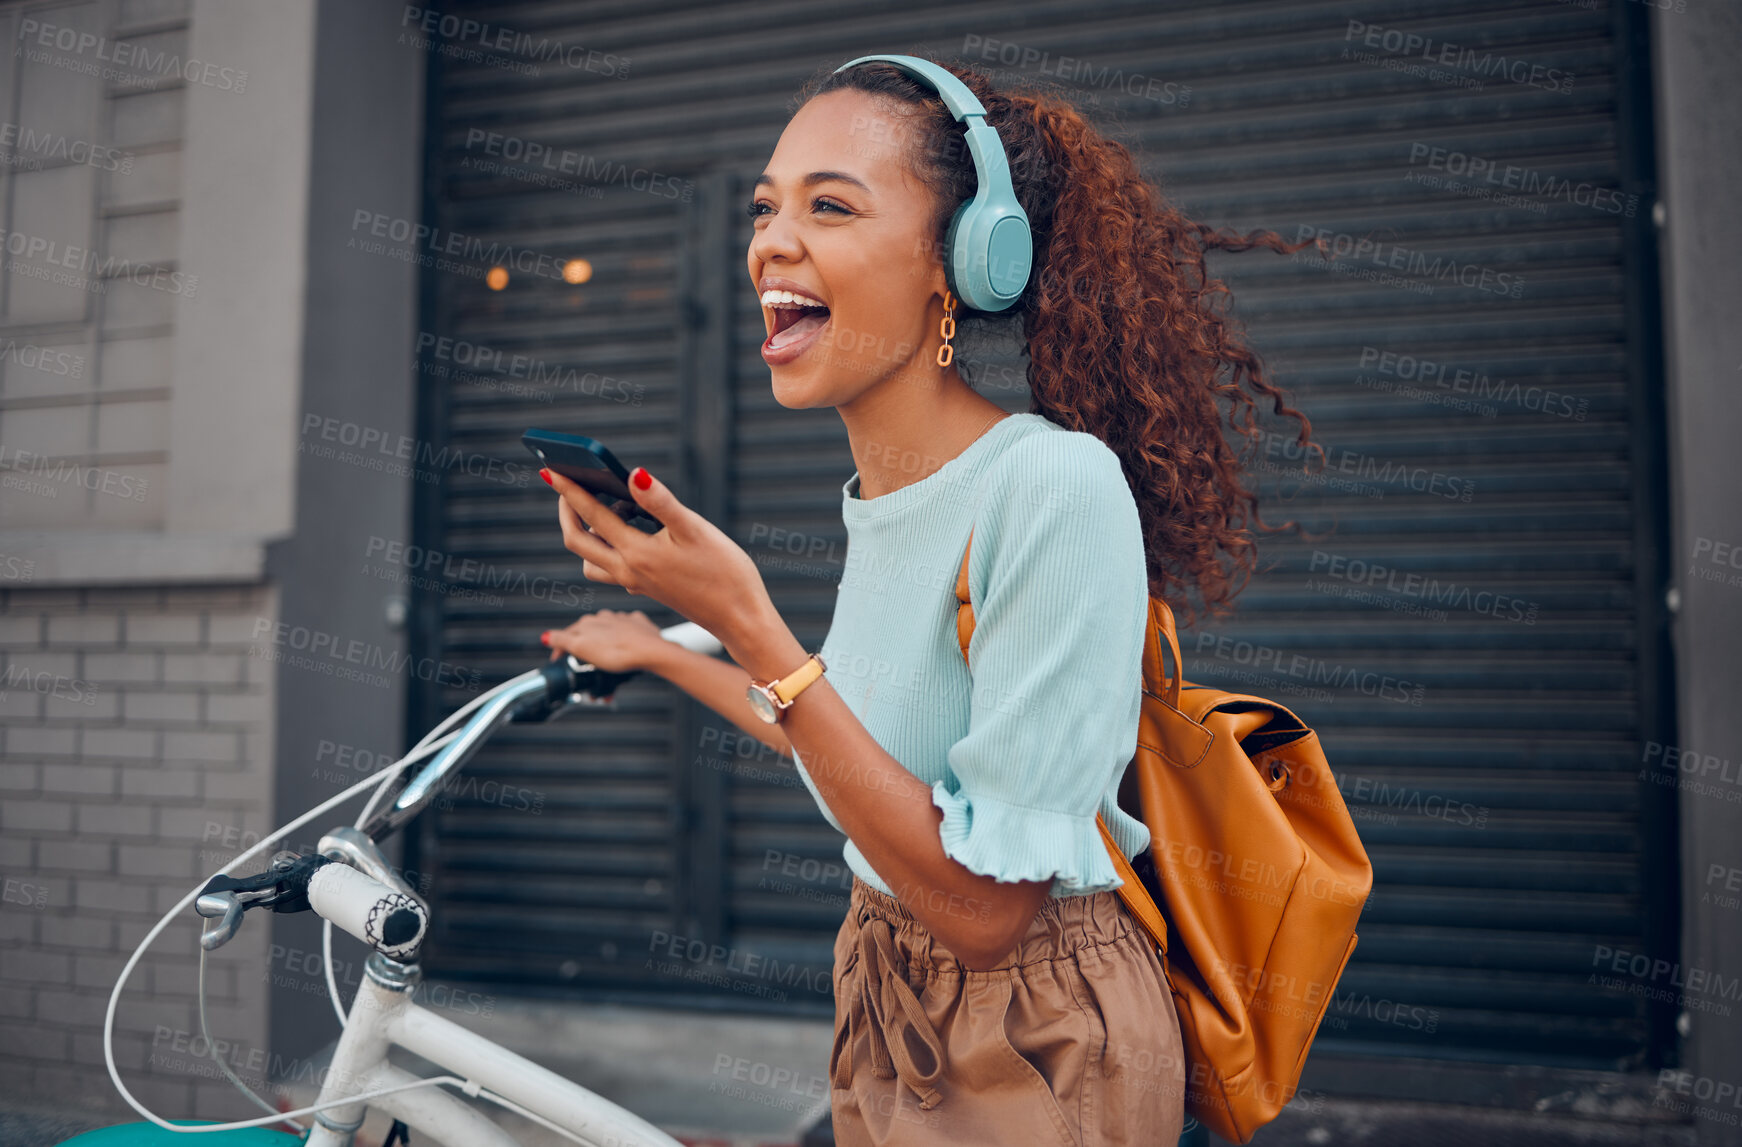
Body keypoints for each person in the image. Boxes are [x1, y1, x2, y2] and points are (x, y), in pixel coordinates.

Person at [537, 53, 1316, 1147]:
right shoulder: (886, 492)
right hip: (888, 992)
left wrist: (751, 619)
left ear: (960, 260)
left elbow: (989, 911)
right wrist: (671, 644)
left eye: (829, 205)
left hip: (1035, 1038)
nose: (770, 239)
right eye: (765, 207)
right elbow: (855, 741)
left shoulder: (1048, 484)